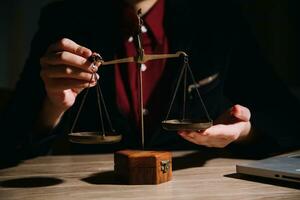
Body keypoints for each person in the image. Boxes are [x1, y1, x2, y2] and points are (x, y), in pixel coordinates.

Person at [1, 0, 299, 164]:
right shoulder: (65, 19)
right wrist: (52, 108)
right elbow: (9, 144)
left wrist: (243, 132)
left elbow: (289, 121)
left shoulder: (216, 17)